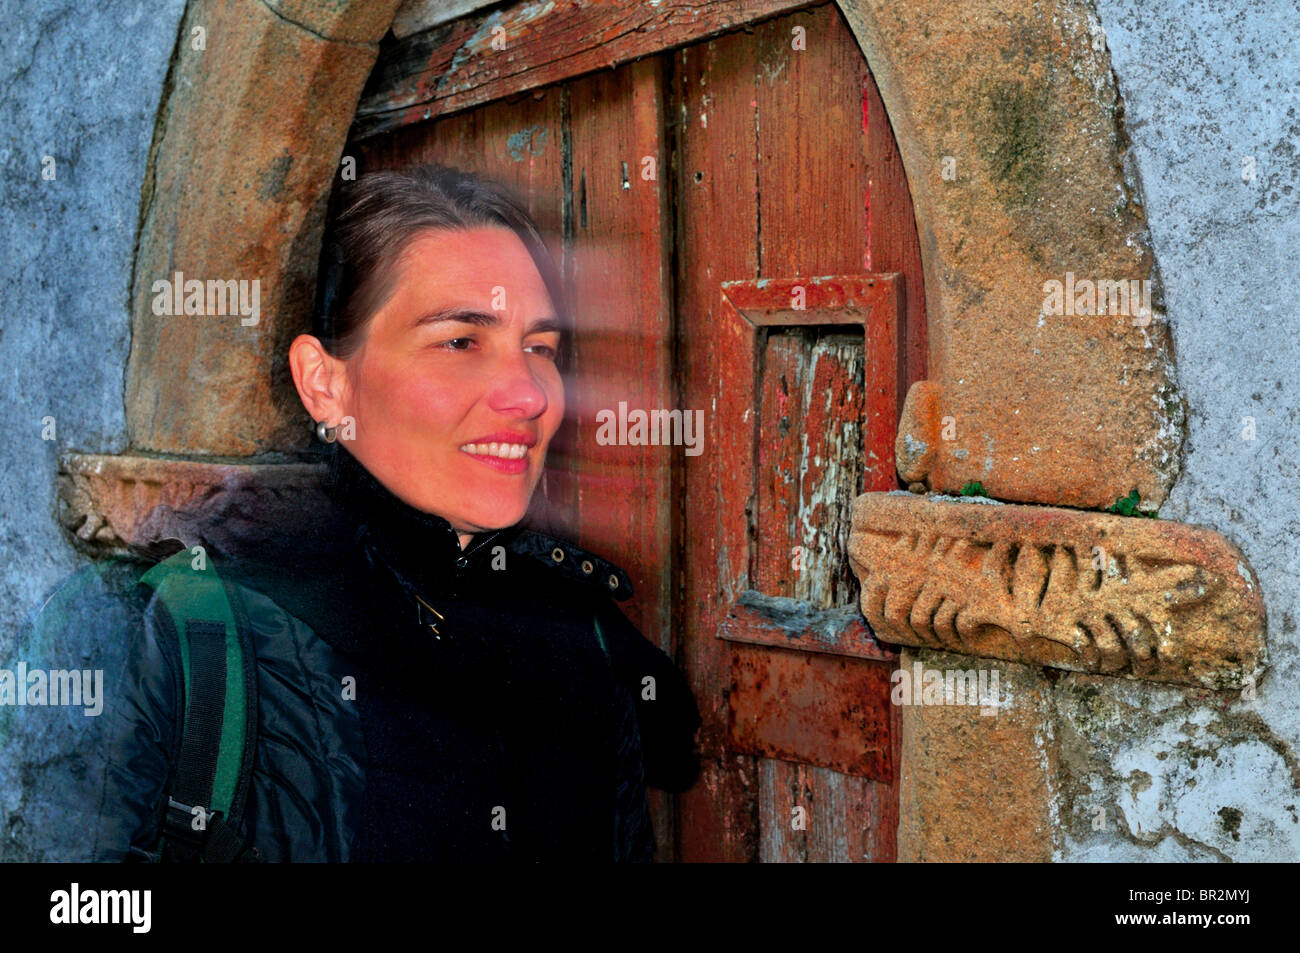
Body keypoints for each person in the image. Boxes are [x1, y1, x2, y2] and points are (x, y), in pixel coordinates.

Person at [3, 165, 701, 862]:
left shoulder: (585, 643)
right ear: (325, 385)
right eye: (461, 340)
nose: (527, 393)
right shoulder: (158, 638)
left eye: (540, 348)